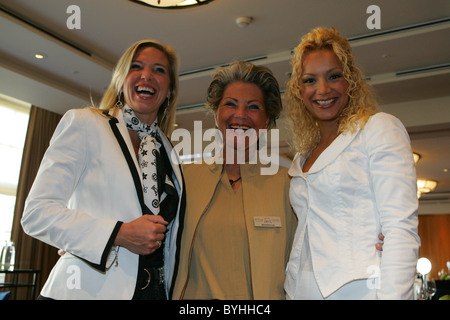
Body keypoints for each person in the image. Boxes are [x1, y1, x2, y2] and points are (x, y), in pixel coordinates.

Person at [21, 40, 186, 300]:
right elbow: (36, 214)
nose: (147, 75)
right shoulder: (85, 123)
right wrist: (117, 234)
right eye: (136, 66)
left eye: (159, 70)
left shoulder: (168, 151)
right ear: (122, 80)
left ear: (170, 90)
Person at [283, 27, 420, 300]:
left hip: (360, 290)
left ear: (350, 81)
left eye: (333, 76)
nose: (322, 90)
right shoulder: (304, 155)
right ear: (299, 90)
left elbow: (400, 229)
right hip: (299, 291)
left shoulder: (378, 129)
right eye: (310, 80)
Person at [172, 60, 297, 299]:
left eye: (253, 107)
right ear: (216, 113)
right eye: (230, 104)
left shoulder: (287, 184)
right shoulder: (185, 180)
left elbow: (305, 258)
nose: (240, 115)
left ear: (267, 120)